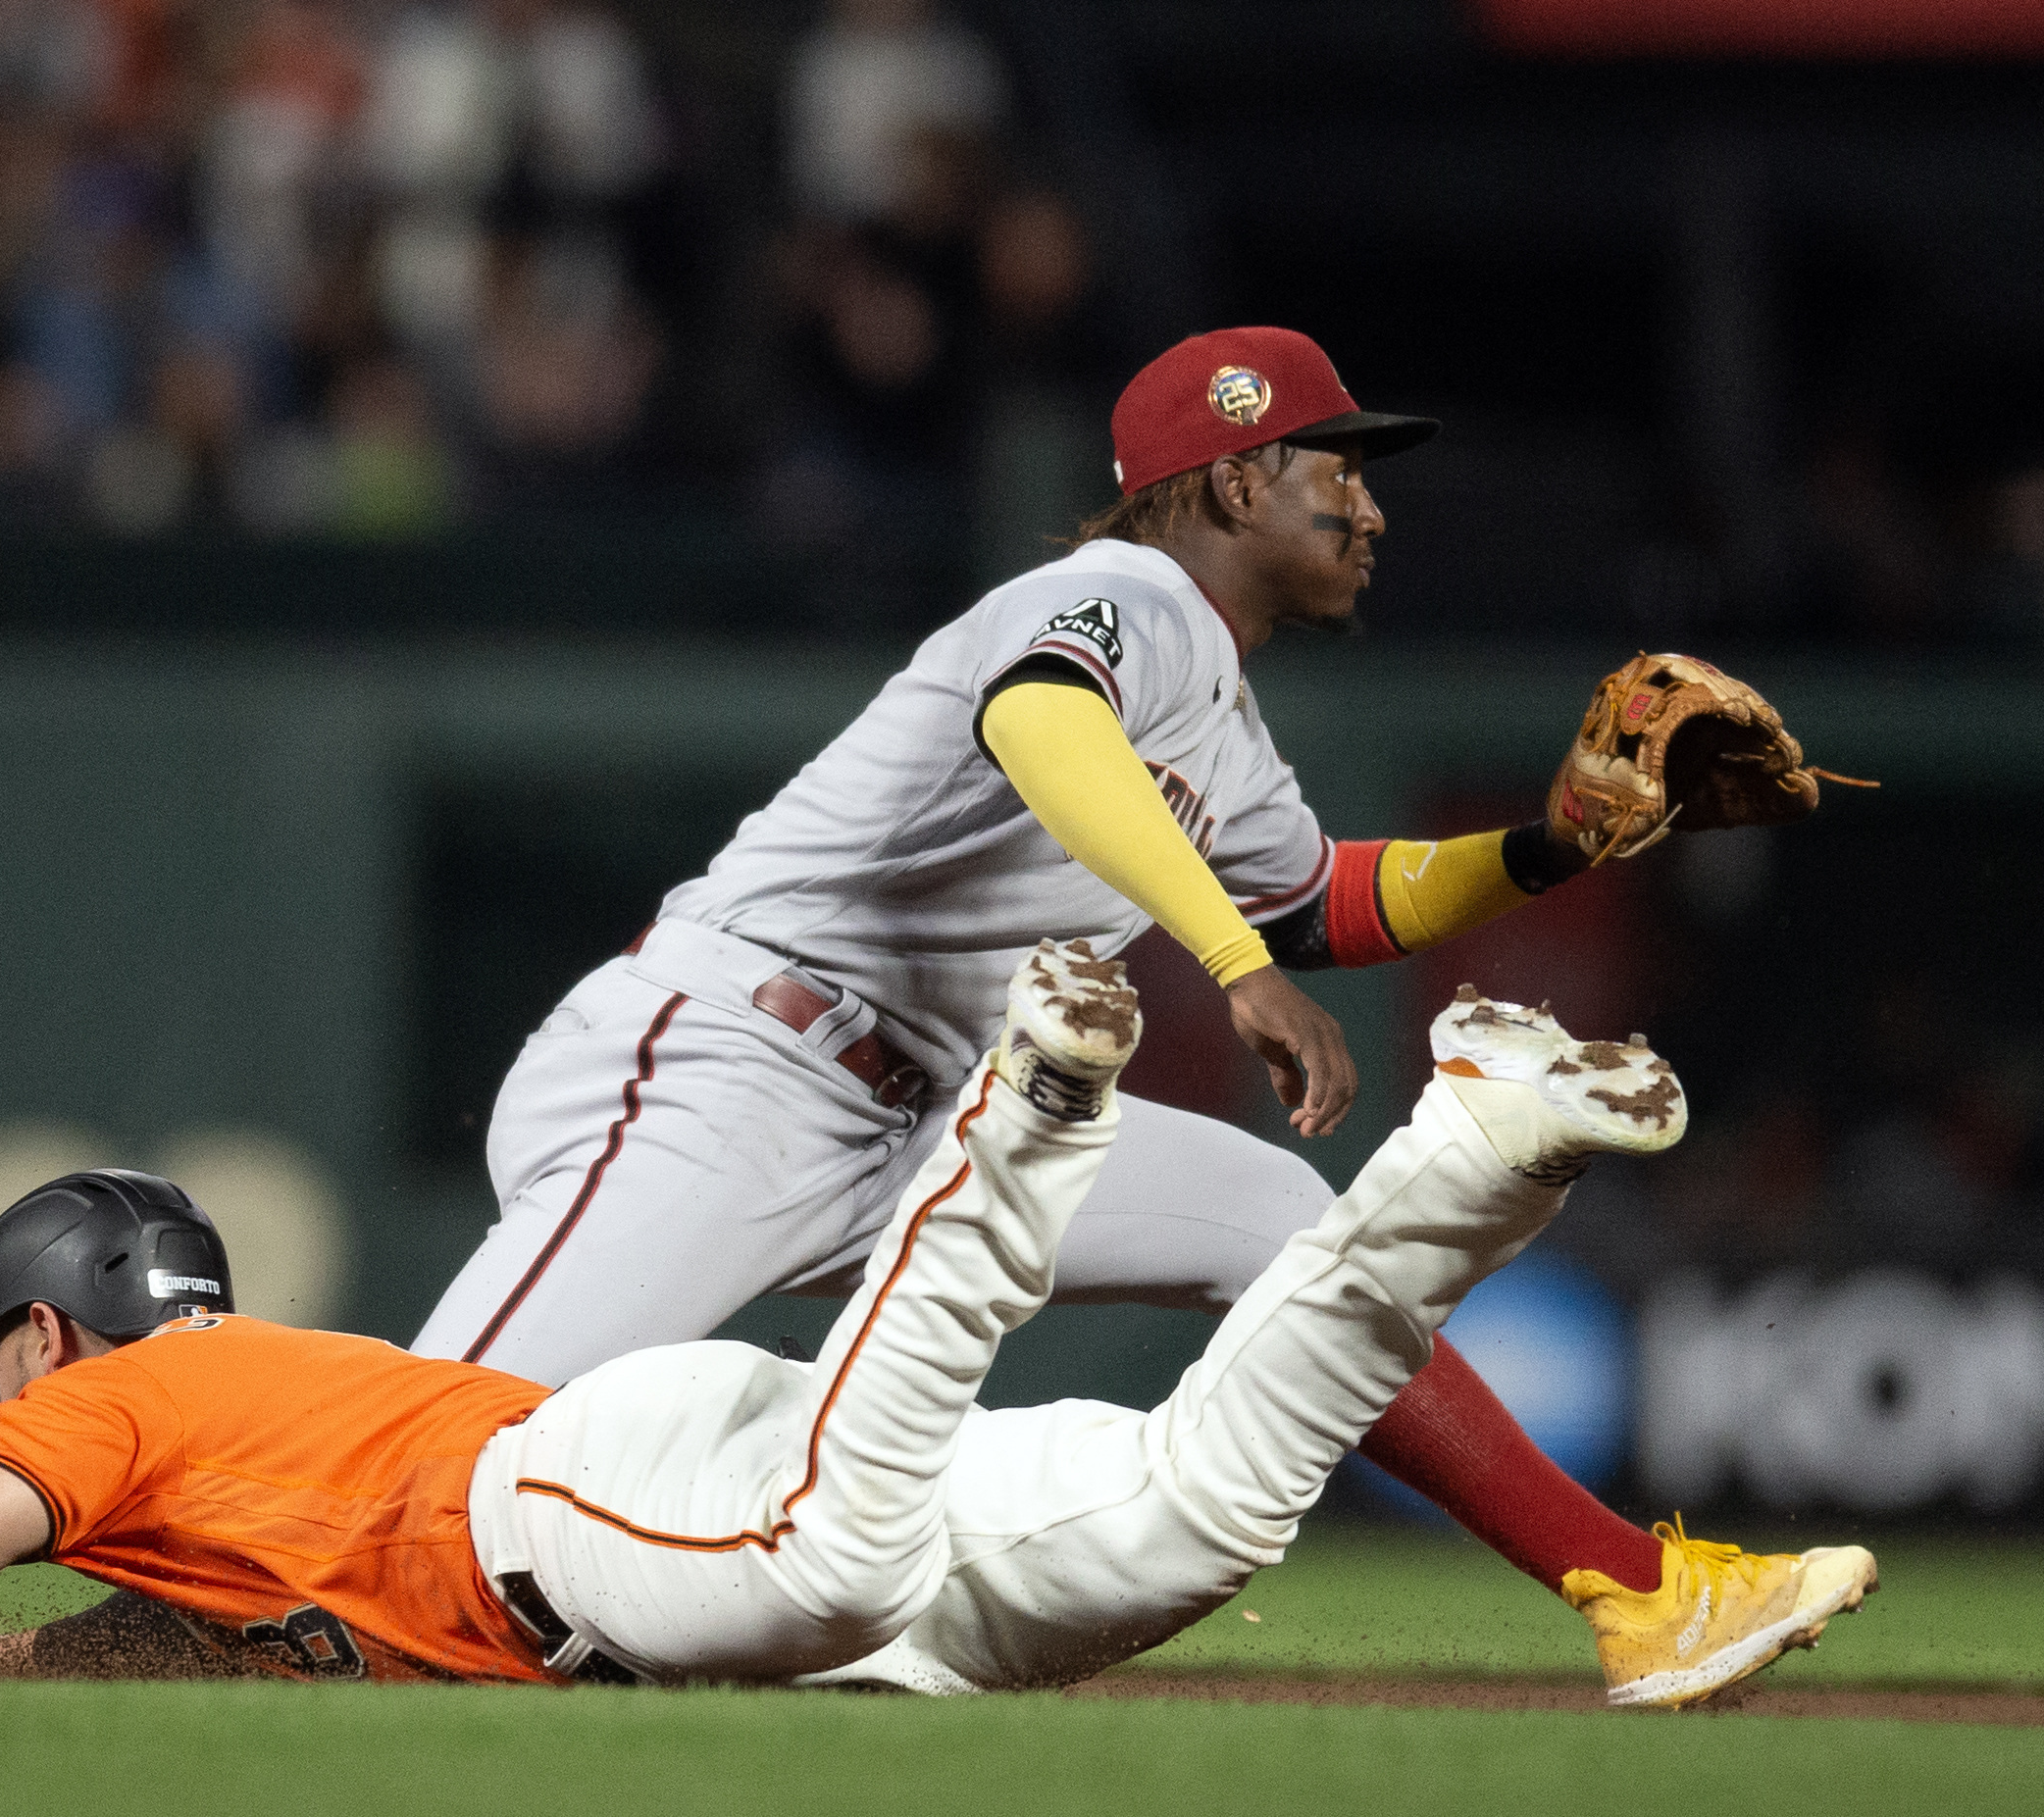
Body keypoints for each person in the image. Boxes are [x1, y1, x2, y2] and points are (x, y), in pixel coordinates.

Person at [402, 324, 1877, 1703]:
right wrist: (1233, 966)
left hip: (903, 1113)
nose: (1369, 514)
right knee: (414, 1460)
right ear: (1235, 473)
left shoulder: (1218, 715)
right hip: (728, 1065)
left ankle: (1636, 1591)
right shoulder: (1110, 599)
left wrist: (1548, 844)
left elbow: (1331, 902)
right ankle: (183, 1604)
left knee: (1279, 1225)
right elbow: (1043, 720)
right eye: (1335, 473)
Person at [0, 956, 1867, 1704]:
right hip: (648, 1511)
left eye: (1, 1375)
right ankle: (1467, 1156)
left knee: (840, 1547)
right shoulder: (246, 1424)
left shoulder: (123, 1411)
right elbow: (127, 1655)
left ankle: (1027, 1112)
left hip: (598, 1508)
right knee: (1191, 1513)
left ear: (44, 1347)